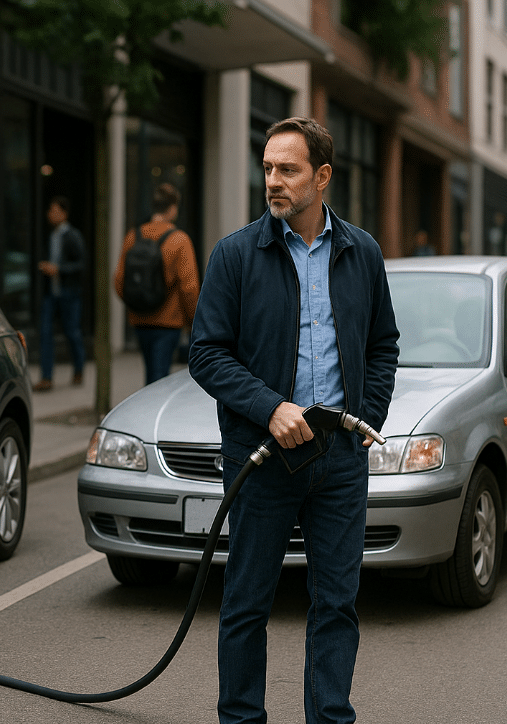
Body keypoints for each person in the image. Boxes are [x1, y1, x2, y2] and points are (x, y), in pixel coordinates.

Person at [188, 117, 399, 724]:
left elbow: (383, 344)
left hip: (338, 459)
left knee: (336, 605)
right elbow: (206, 353)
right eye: (268, 169)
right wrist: (269, 408)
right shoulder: (235, 254)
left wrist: (365, 419)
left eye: (288, 169)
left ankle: (330, 719)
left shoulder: (362, 253)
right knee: (247, 603)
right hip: (261, 457)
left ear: (322, 177)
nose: (272, 181)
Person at [115, 182, 200, 385]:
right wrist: (192, 323)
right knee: (159, 378)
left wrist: (136, 304)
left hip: (140, 320)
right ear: (172, 208)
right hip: (168, 322)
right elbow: (189, 288)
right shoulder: (179, 240)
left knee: (150, 375)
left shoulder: (132, 237)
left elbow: (119, 280)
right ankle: (150, 415)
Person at [34, 195, 86, 392]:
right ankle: (46, 377)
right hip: (51, 293)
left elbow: (80, 265)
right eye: (50, 210)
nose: (50, 215)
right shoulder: (50, 236)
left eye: (55, 211)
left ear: (64, 214)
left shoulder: (73, 236)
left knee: (72, 332)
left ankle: (78, 369)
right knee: (45, 333)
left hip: (69, 293)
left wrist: (59, 269)